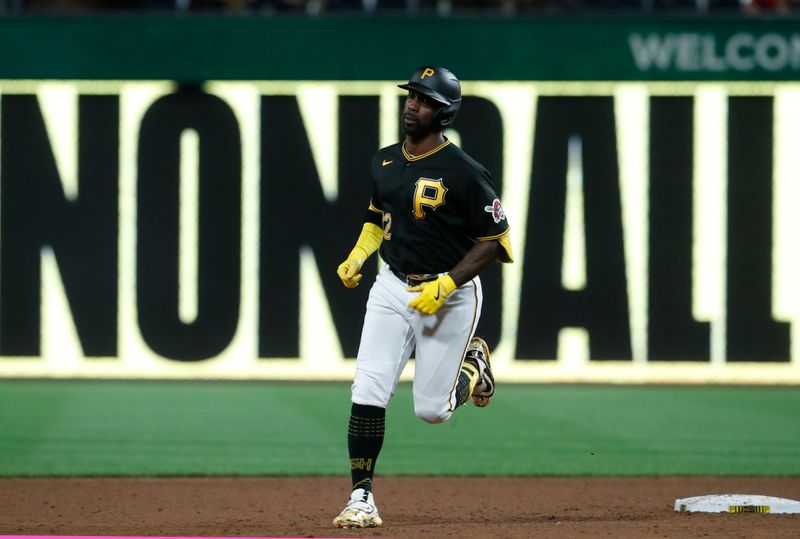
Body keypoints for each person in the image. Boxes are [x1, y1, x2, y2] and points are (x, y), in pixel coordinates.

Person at [333, 65, 513, 529]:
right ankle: (361, 497)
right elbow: (378, 218)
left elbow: (495, 241)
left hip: (449, 296)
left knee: (431, 410)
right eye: (412, 95)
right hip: (392, 286)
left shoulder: (466, 172)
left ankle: (473, 365)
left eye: (426, 99)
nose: (413, 104)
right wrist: (358, 255)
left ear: (445, 112)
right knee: (368, 389)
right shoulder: (386, 160)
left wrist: (448, 283)